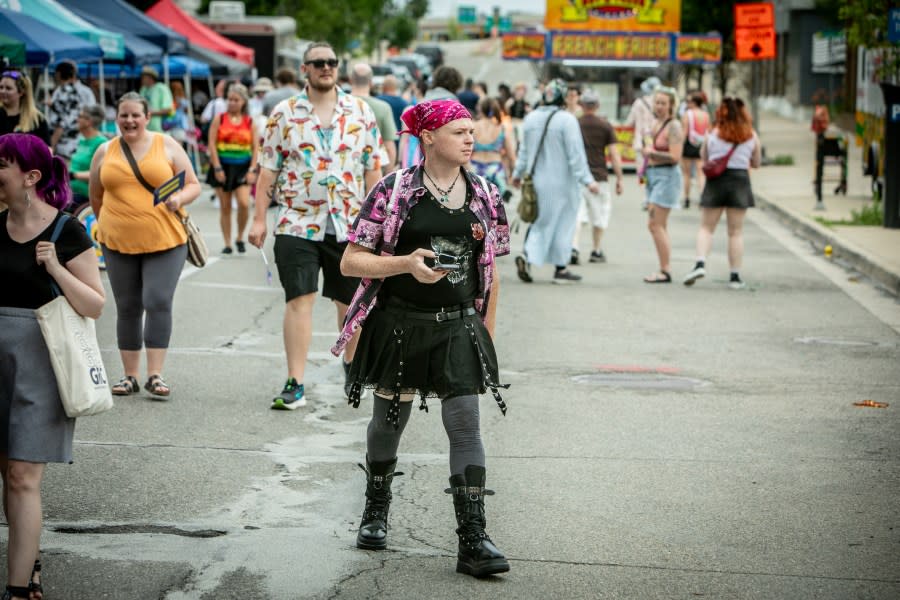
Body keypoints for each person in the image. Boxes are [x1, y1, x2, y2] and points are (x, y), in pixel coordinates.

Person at [332, 98, 511, 578]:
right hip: (399, 325)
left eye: (472, 131)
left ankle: (473, 540)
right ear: (428, 137)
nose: (470, 139)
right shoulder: (393, 191)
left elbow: (491, 272)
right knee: (390, 422)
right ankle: (376, 508)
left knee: (466, 427)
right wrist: (405, 263)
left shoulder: (486, 195)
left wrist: (485, 337)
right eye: (459, 131)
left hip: (458, 326)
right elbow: (352, 261)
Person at [248, 41, 383, 410]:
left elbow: (373, 167)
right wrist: (259, 217)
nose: (326, 67)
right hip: (297, 222)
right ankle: (296, 382)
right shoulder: (284, 113)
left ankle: (353, 368)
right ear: (304, 69)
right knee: (299, 300)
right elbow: (268, 170)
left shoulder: (360, 111)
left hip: (350, 225)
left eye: (332, 62)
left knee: (351, 304)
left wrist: (379, 222)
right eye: (318, 62)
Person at [0, 133, 105, 600]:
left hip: (41, 360)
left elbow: (95, 305)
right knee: (7, 472)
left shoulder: (67, 232)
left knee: (22, 476)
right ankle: (30, 554)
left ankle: (17, 589)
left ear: (30, 176)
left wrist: (57, 270)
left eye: (0, 164)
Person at [88, 92, 202, 398]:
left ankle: (154, 374)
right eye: (123, 115)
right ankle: (129, 376)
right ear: (117, 118)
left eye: (135, 115)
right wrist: (108, 224)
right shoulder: (104, 151)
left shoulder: (166, 144)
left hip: (166, 240)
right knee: (127, 307)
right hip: (116, 242)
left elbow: (193, 183)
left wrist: (178, 198)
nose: (129, 120)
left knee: (157, 299)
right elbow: (95, 196)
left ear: (147, 117)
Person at [511, 79, 598, 284]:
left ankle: (529, 256)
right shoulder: (567, 120)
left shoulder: (531, 118)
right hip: (563, 184)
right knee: (564, 224)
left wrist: (517, 173)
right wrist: (588, 180)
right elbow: (576, 155)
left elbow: (523, 151)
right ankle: (559, 268)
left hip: (536, 183)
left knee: (539, 222)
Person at [683, 96, 762, 290]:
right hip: (740, 181)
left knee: (706, 228)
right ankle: (735, 277)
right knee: (735, 232)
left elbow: (704, 157)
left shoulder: (713, 134)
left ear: (721, 114)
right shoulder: (751, 135)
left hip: (716, 181)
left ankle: (700, 263)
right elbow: (757, 162)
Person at [207, 83, 259, 254]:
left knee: (244, 203)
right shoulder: (219, 118)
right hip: (222, 166)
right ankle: (228, 243)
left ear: (244, 101)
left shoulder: (250, 122)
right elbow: (212, 144)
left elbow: (255, 148)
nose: (232, 103)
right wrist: (217, 167)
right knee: (225, 206)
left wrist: (252, 170)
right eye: (229, 99)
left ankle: (240, 237)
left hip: (243, 167)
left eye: (236, 100)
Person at [573, 89, 623, 264]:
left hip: (578, 177)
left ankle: (574, 246)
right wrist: (619, 178)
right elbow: (615, 155)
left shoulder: (574, 123)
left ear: (581, 105)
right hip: (599, 176)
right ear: (598, 105)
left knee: (577, 214)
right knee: (599, 215)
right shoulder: (605, 125)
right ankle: (596, 250)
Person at [641, 86, 684, 284]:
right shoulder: (656, 123)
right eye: (656, 102)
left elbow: (675, 157)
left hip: (666, 177)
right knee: (659, 225)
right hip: (653, 175)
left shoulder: (673, 126)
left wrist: (652, 153)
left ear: (671, 105)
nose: (658, 106)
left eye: (663, 103)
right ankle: (664, 267)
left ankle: (665, 271)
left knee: (654, 224)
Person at [350, 63, 398, 172]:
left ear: (350, 80)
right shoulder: (383, 107)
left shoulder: (340, 105)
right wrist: (387, 179)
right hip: (375, 174)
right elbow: (389, 149)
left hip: (347, 176)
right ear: (371, 83)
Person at [47, 60, 96, 160]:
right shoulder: (87, 91)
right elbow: (93, 116)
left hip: (64, 145)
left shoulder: (62, 91)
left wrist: (52, 145)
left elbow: (61, 123)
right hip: (82, 142)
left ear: (58, 74)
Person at [470, 96, 516, 203]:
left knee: (477, 208)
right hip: (495, 171)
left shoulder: (473, 126)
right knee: (495, 208)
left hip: (475, 170)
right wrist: (513, 175)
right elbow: (511, 156)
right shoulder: (502, 128)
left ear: (480, 109)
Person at [67, 105, 107, 209]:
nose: (77, 119)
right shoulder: (82, 141)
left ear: (89, 121)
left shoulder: (101, 143)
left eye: (80, 116)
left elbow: (102, 173)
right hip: (71, 191)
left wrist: (74, 175)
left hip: (86, 197)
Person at [624, 76, 660, 186]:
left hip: (640, 139)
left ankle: (643, 183)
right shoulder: (659, 103)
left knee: (641, 163)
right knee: (655, 161)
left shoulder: (638, 103)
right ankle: (654, 181)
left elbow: (629, 122)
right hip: (656, 138)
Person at [0, 69, 50, 146]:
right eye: (1, 87)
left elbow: (47, 150)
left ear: (21, 92)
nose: (3, 91)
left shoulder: (37, 119)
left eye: (8, 88)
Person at [680, 91, 710, 209]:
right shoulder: (706, 115)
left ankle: (686, 198)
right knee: (700, 173)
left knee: (686, 174)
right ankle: (702, 197)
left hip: (688, 144)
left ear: (694, 103)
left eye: (688, 101)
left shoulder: (688, 114)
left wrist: (680, 147)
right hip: (701, 145)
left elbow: (684, 132)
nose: (687, 103)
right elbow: (708, 132)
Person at [139, 66, 174, 134]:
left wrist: (149, 113)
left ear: (150, 78)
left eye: (144, 77)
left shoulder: (161, 88)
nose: (142, 79)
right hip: (145, 130)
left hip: (160, 131)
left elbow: (168, 109)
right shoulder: (143, 89)